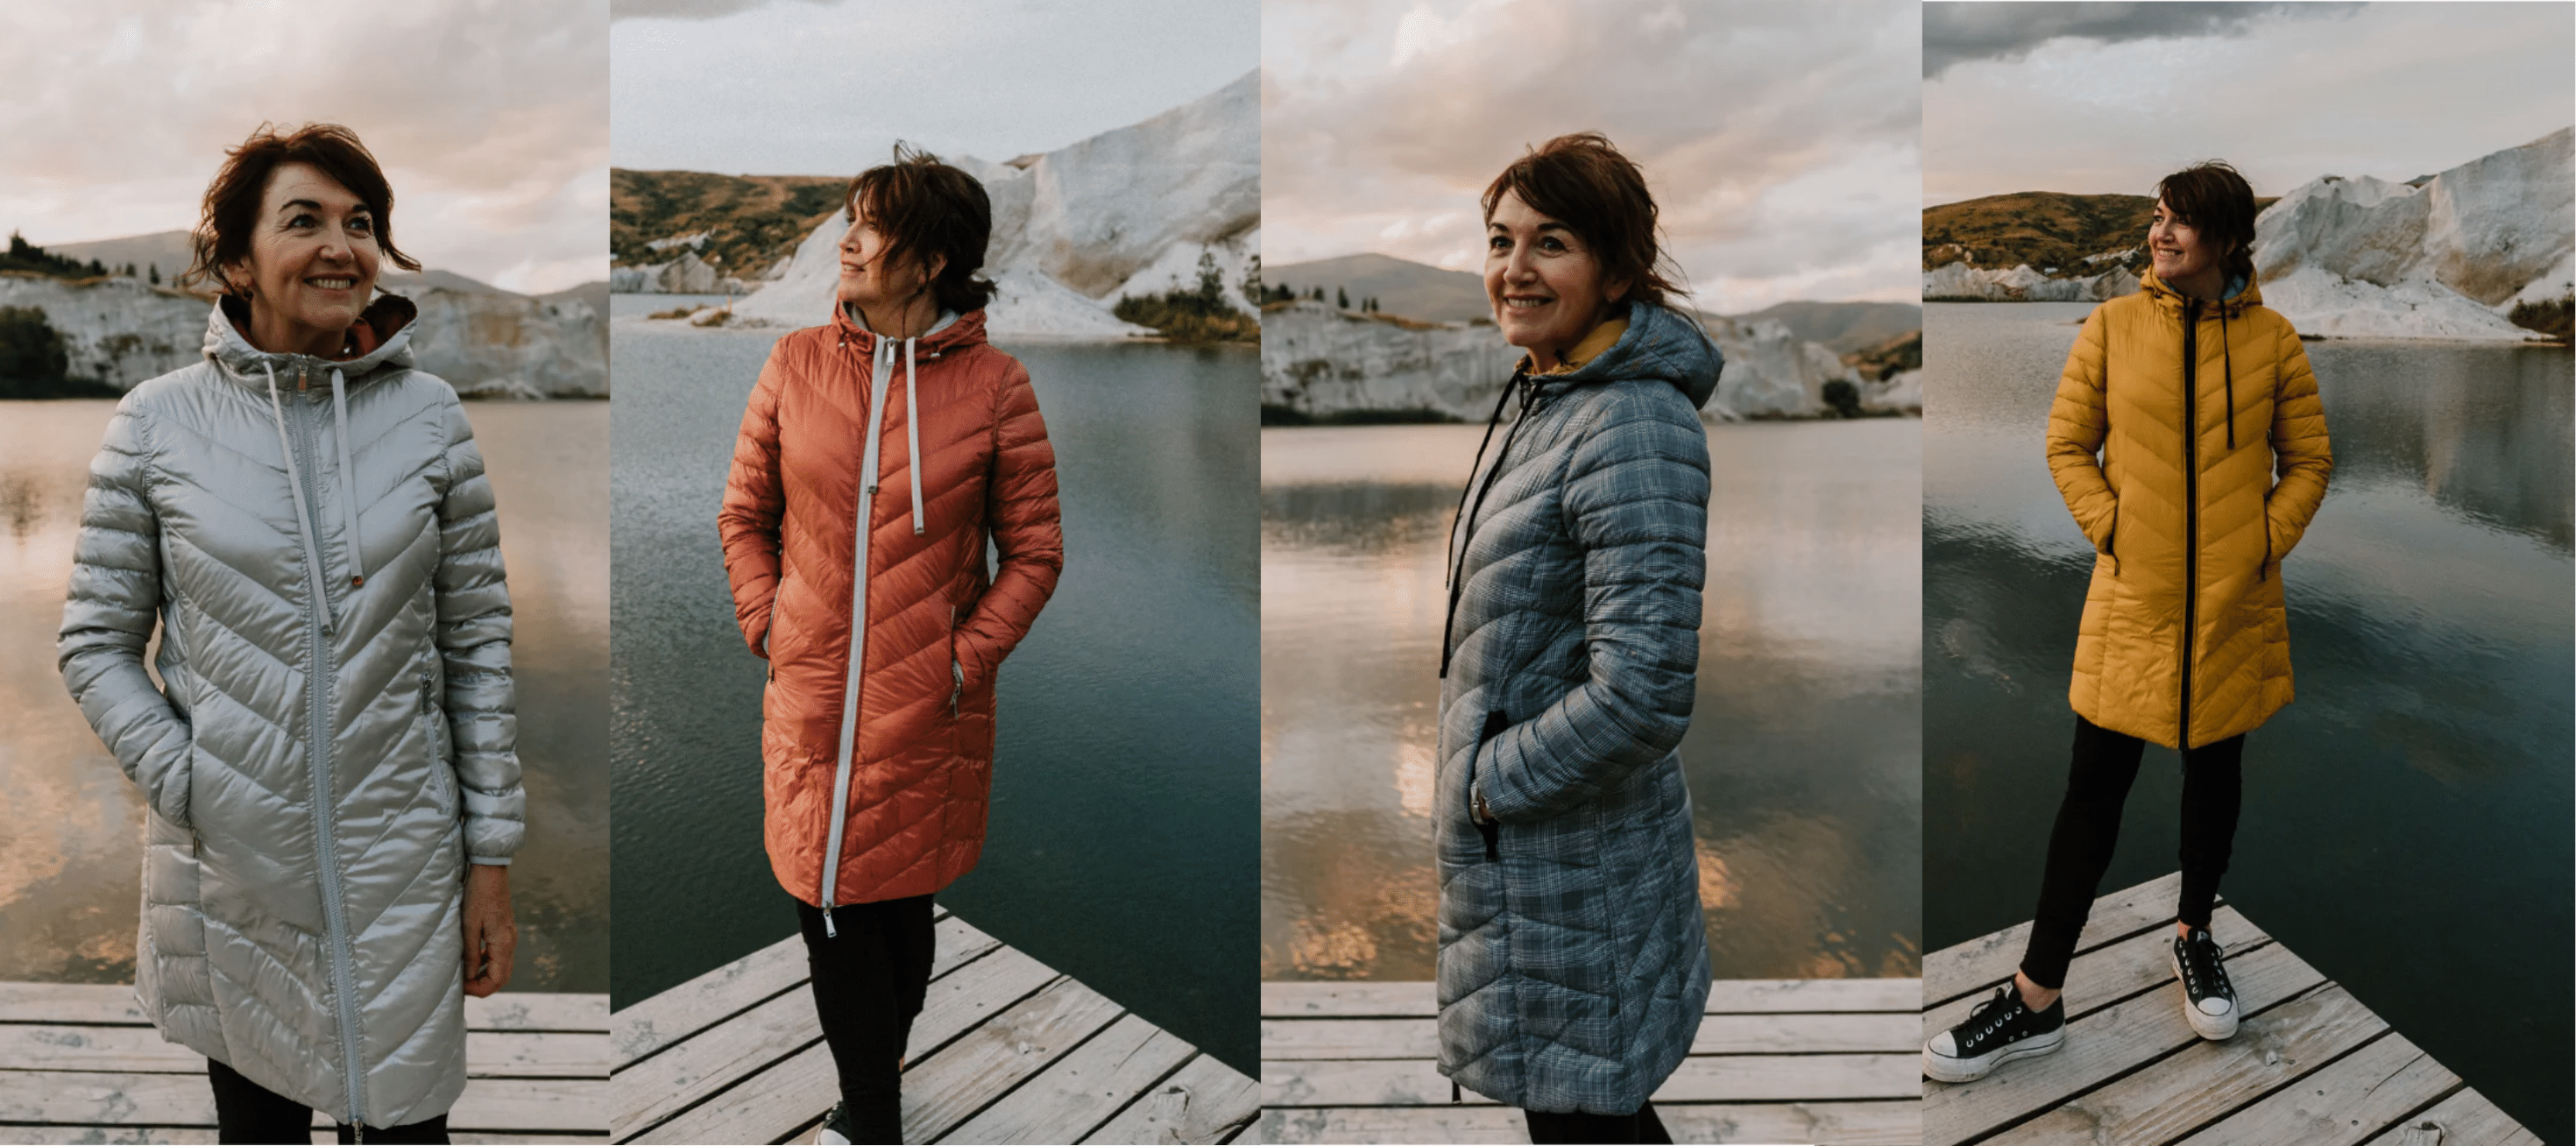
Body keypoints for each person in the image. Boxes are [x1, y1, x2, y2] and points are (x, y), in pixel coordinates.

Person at [58, 122, 523, 1143]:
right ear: (238, 260)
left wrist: (489, 859)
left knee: (409, 1127)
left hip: (406, 860)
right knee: (258, 1130)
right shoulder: (155, 423)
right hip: (230, 872)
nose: (341, 247)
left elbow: (478, 646)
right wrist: (193, 782)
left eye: (361, 224)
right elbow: (94, 644)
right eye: (304, 220)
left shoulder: (431, 417)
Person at [1923, 161, 2332, 1083]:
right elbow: (2068, 444)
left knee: (2215, 775)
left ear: (2228, 240)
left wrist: (2263, 541)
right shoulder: (2111, 326)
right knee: (2091, 793)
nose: (2161, 232)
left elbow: (2309, 460)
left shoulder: (2272, 340)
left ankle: (2195, 935)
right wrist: (2115, 529)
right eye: (2158, 215)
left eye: (2182, 220)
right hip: (2133, 598)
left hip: (2231, 602)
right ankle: (2037, 998)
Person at [717, 145, 1064, 1146]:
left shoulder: (997, 388)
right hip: (812, 698)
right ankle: (871, 1114)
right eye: (851, 221)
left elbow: (1035, 554)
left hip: (926, 706)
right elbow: (744, 515)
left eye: (872, 226)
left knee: (903, 909)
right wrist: (768, 620)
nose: (848, 241)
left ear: (931, 260)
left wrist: (962, 658)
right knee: (828, 901)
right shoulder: (795, 363)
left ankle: (876, 1074)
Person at [1433, 132, 1723, 1146]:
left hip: (1568, 863)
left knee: (1585, 1120)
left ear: (1617, 269)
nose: (1514, 268)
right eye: (1500, 240)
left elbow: (1643, 694)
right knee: (1591, 1114)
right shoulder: (1553, 396)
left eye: (1550, 242)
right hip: (1546, 862)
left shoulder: (1633, 424)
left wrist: (1486, 785)